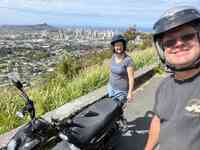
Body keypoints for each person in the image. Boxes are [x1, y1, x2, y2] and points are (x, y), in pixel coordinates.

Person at [145, 6, 200, 150]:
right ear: (162, 51)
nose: (179, 44)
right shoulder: (164, 85)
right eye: (169, 42)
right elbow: (158, 120)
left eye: (187, 36)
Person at [108, 34, 135, 105]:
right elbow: (111, 71)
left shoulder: (128, 60)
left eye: (120, 45)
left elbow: (131, 78)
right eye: (116, 45)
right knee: (112, 109)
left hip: (121, 92)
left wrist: (130, 93)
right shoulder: (113, 56)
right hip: (111, 88)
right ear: (114, 47)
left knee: (119, 111)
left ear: (123, 46)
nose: (118, 47)